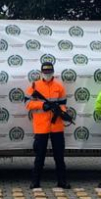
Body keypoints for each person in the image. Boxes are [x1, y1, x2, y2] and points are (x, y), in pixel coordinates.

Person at [26, 61, 70, 189]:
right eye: (45, 72)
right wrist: (42, 105)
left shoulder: (59, 86)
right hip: (41, 126)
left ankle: (62, 181)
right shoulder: (35, 86)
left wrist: (63, 113)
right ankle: (35, 182)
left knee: (59, 156)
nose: (47, 74)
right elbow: (28, 103)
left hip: (56, 126)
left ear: (53, 72)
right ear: (41, 72)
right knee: (39, 156)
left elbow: (62, 104)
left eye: (49, 72)